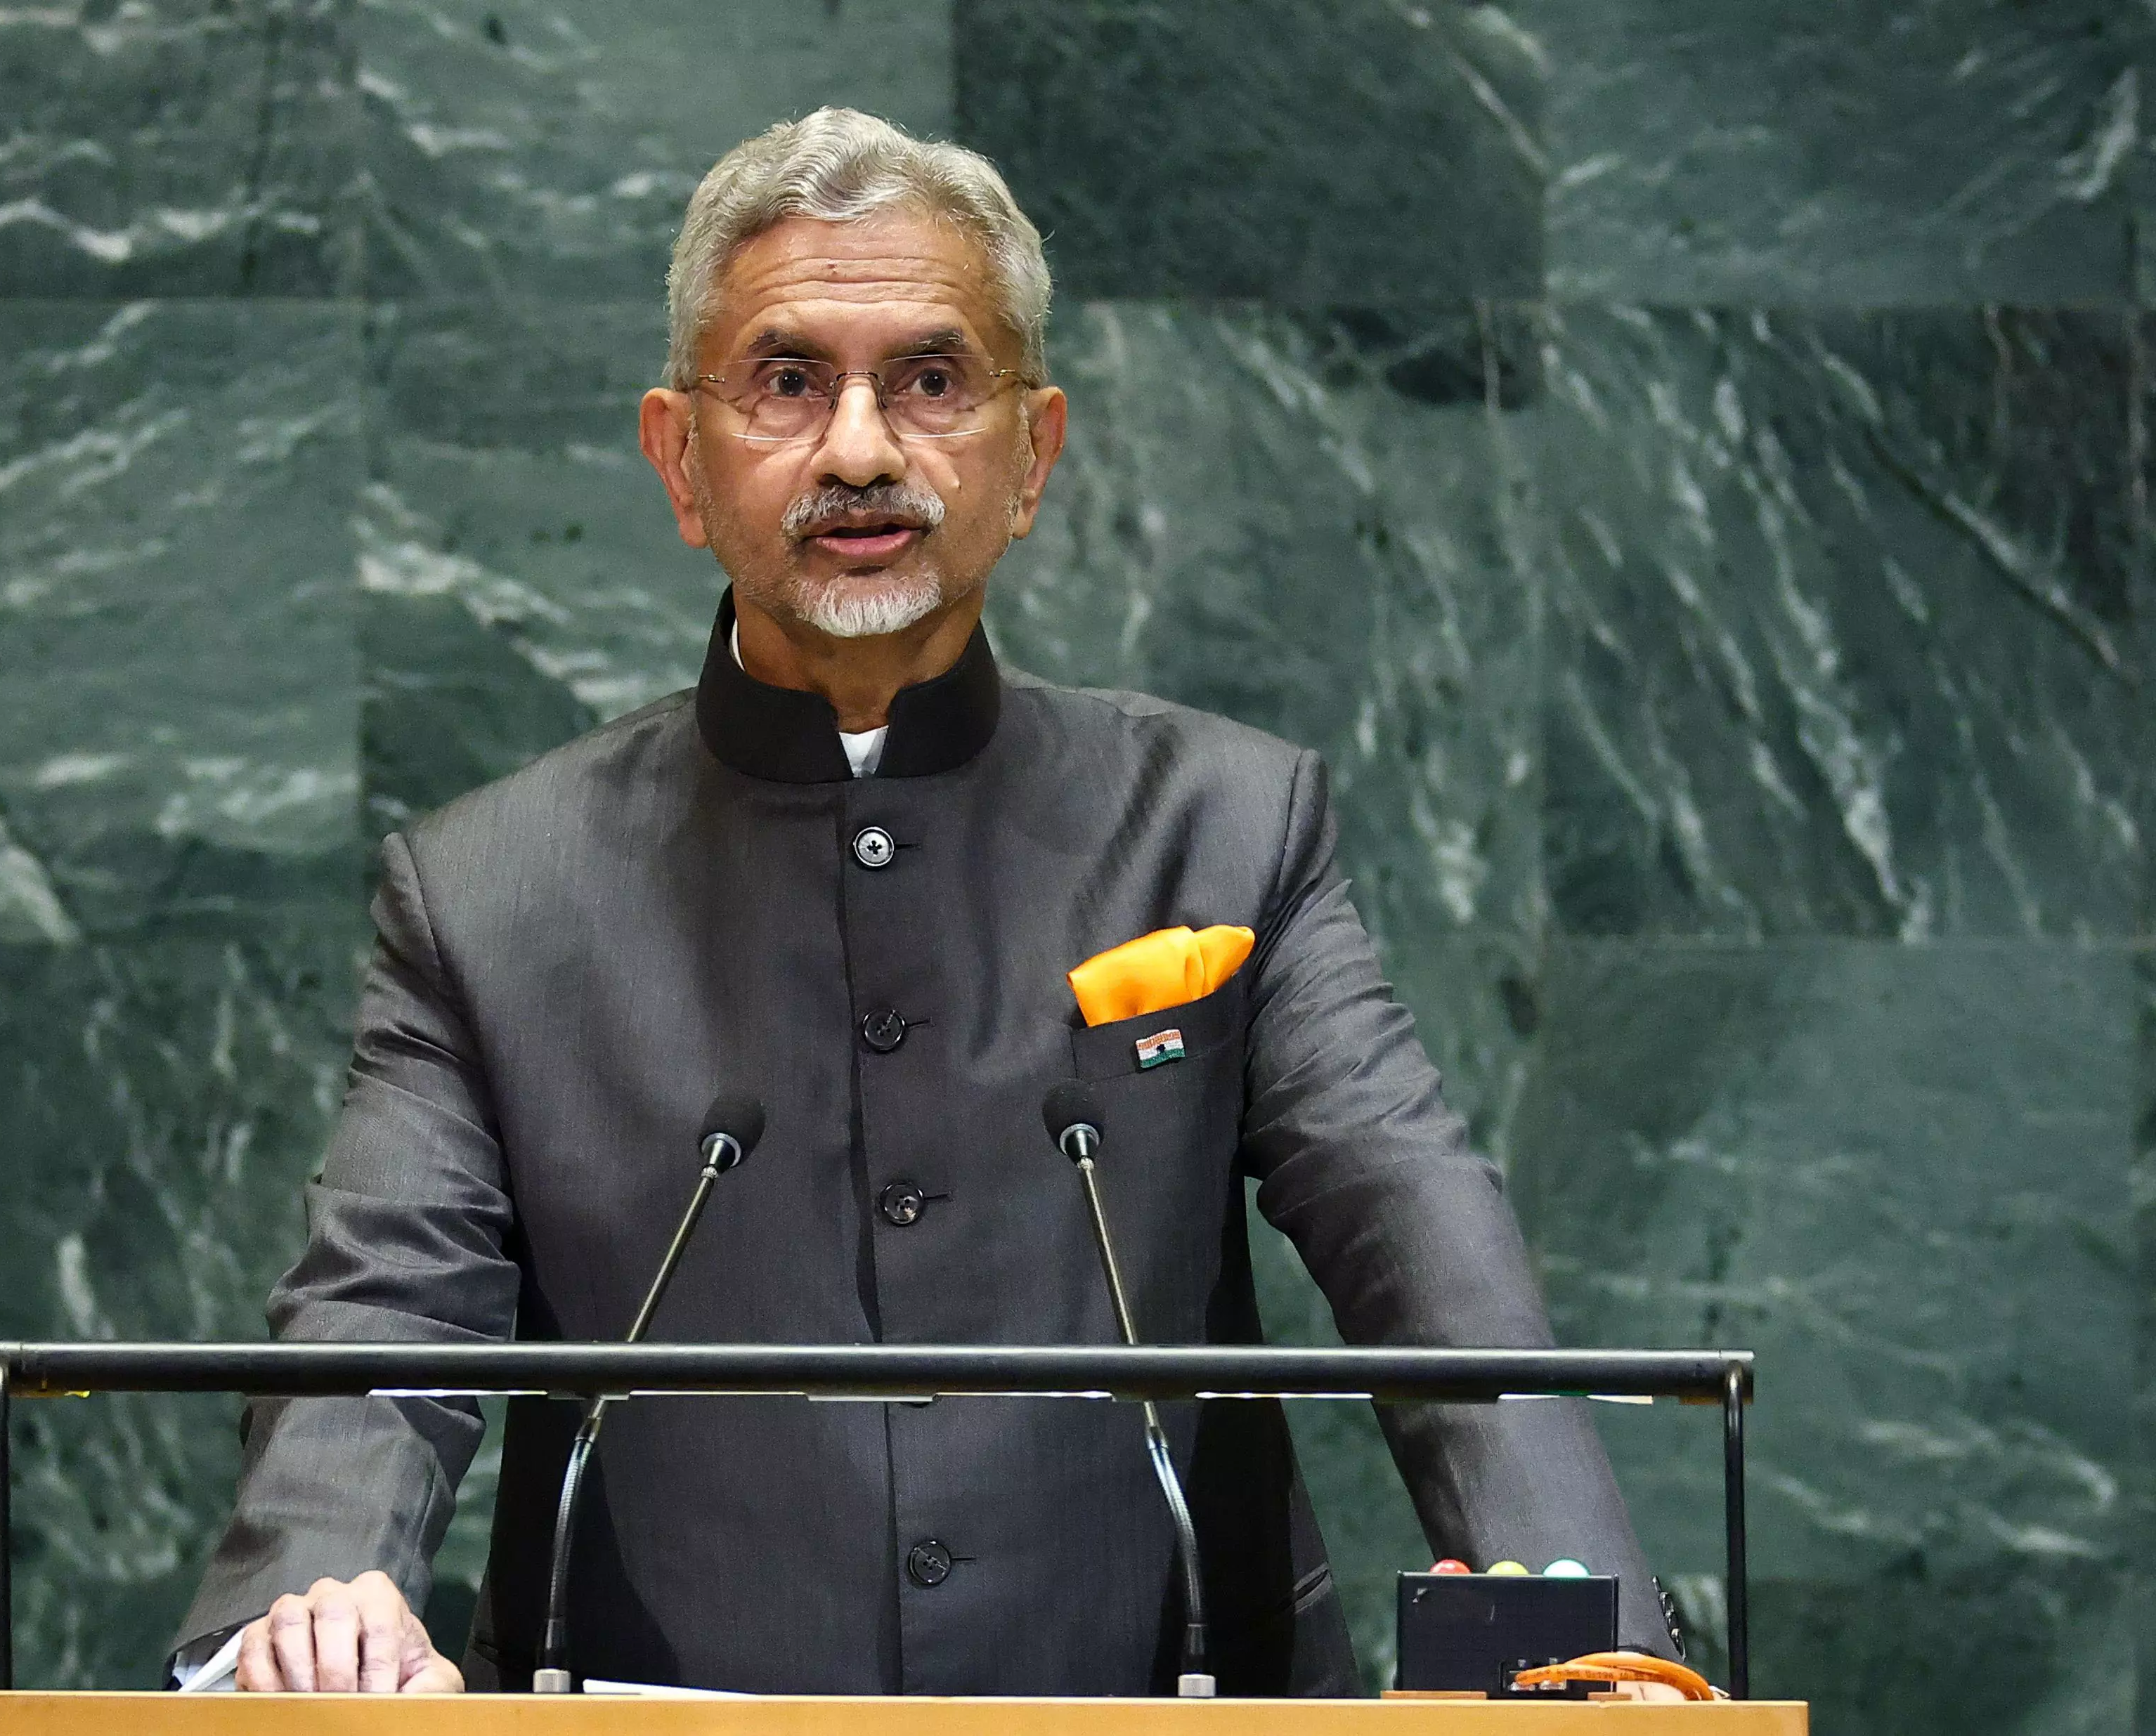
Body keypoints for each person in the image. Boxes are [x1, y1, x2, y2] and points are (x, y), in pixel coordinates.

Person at [170, 106, 1677, 1697]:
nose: (861, 449)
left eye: (933, 380)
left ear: (1033, 456)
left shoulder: (1226, 827)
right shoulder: (491, 892)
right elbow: (382, 1314)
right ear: (679, 460)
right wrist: (320, 1603)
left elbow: (1418, 1239)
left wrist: (1587, 1644)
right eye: (787, 380)